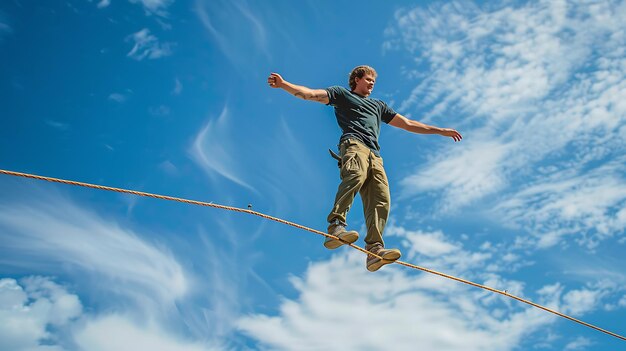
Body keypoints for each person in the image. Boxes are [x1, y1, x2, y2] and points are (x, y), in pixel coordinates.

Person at [267, 65, 462, 272]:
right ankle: (335, 226)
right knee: (355, 176)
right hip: (353, 144)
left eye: (373, 81)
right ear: (357, 79)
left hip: (375, 155)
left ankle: (374, 251)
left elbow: (407, 123)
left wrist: (440, 131)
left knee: (381, 198)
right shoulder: (341, 94)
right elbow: (311, 95)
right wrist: (284, 85)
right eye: (368, 79)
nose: (371, 83)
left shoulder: (378, 106)